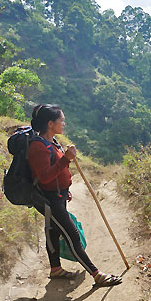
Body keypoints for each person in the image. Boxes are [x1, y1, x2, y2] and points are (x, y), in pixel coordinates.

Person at [28, 104, 122, 287]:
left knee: (53, 231)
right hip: (49, 200)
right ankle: (97, 274)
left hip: (58, 196)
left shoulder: (52, 141)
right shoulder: (38, 147)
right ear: (50, 123)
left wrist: (65, 189)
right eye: (61, 120)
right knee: (72, 235)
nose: (64, 123)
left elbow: (56, 173)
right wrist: (66, 159)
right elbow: (44, 177)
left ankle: (55, 269)